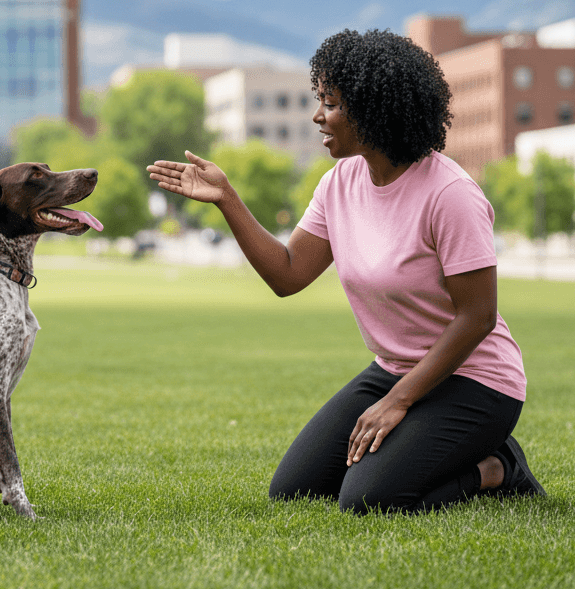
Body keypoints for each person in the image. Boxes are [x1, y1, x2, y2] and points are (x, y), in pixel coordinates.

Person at [147, 29, 544, 514]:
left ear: (374, 110)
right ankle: (447, 449)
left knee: (369, 499)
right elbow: (289, 275)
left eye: (331, 104)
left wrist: (398, 401)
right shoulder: (339, 183)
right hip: (395, 368)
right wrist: (227, 199)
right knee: (294, 490)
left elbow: (478, 316)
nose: (318, 116)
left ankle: (498, 468)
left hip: (475, 381)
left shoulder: (449, 195)